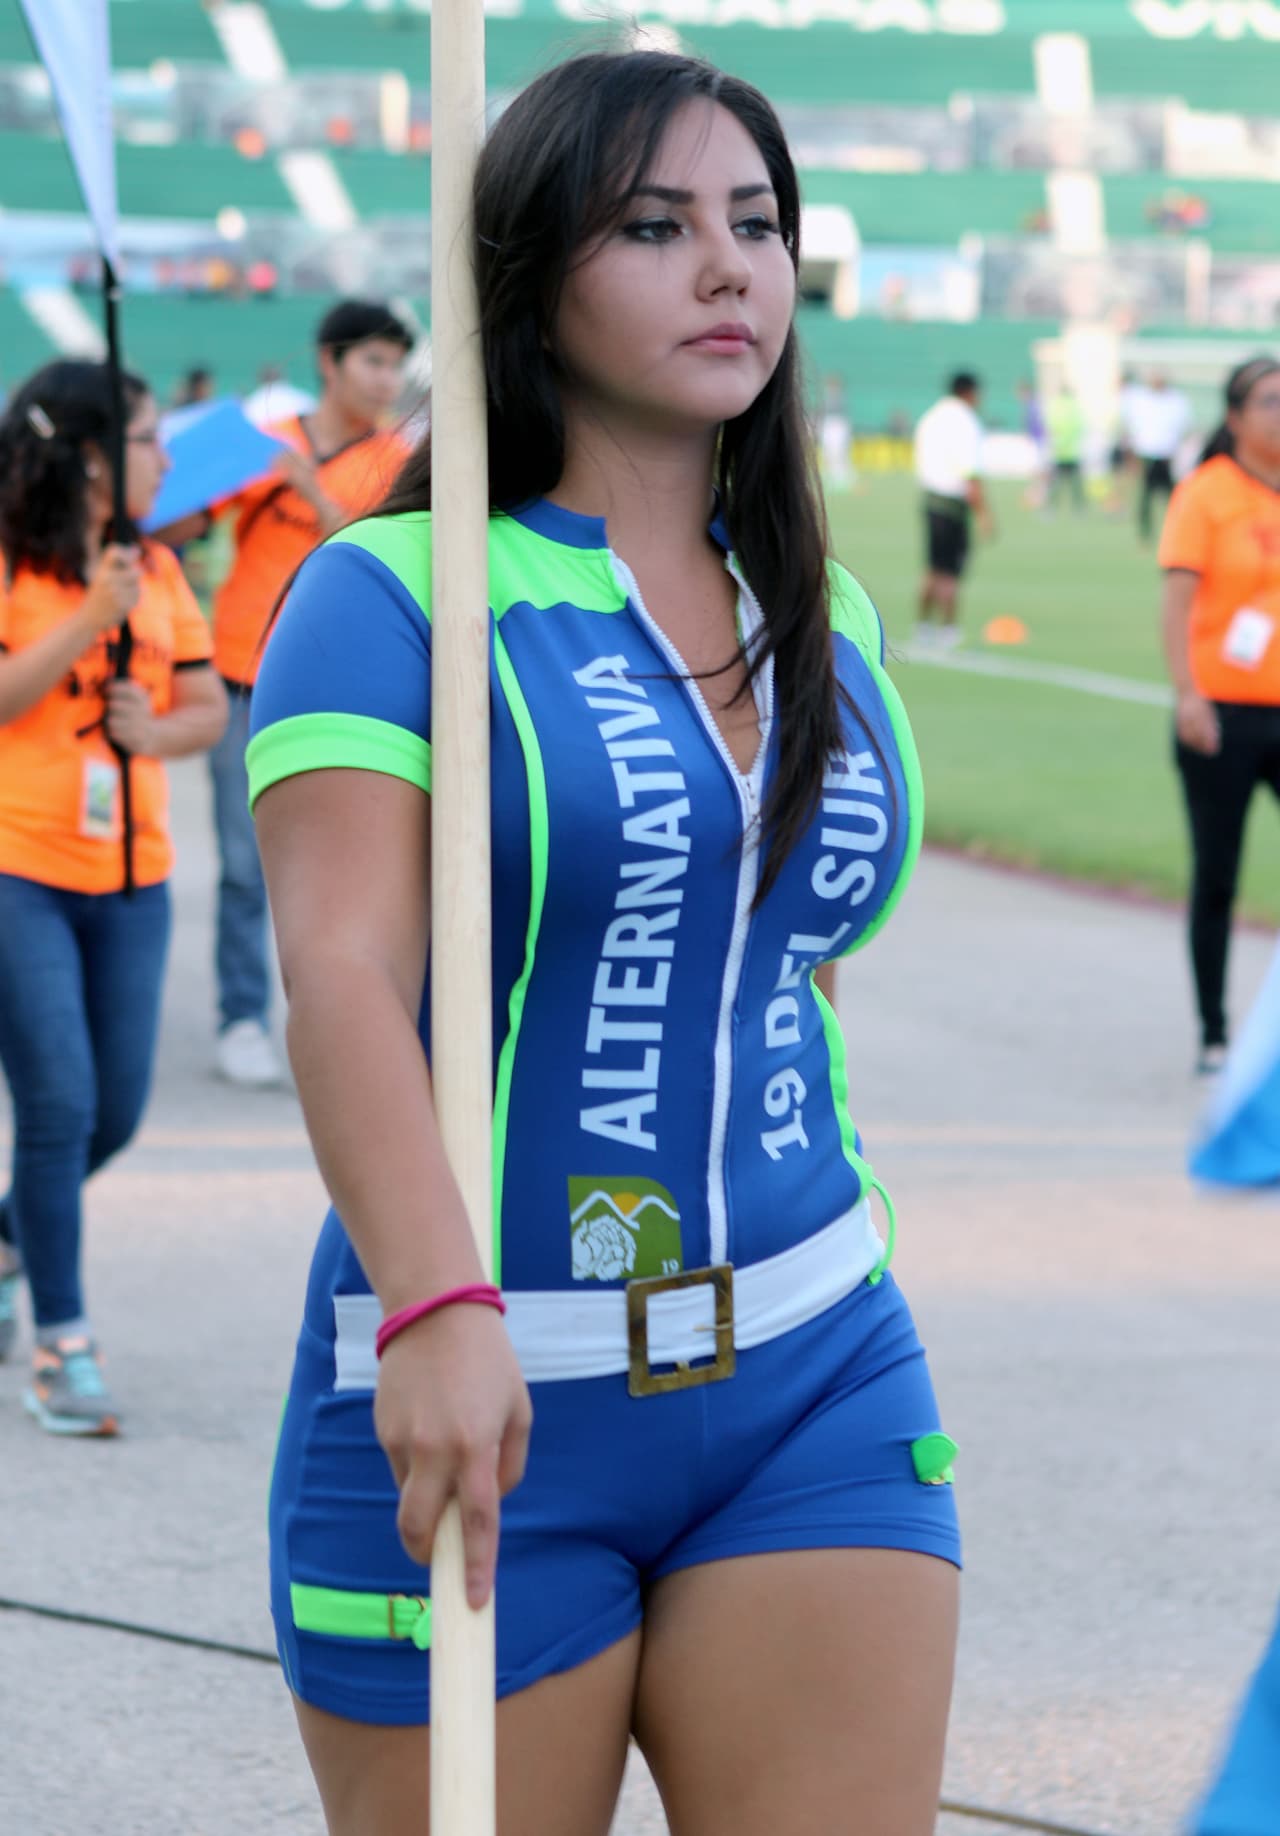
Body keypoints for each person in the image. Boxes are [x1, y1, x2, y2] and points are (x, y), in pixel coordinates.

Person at [250, 51, 960, 1836]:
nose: (730, 267)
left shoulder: (826, 608)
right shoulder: (386, 594)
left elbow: (787, 955)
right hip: (489, 1395)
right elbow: (336, 967)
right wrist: (434, 1306)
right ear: (527, 278)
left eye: (757, 223)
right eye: (654, 227)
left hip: (820, 1375)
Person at [0, 360, 227, 1432]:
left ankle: (9, 1238)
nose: (166, 460)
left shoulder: (159, 571)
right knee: (57, 1107)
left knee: (115, 1113)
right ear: (93, 457)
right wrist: (91, 613)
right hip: (19, 869)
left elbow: (204, 709)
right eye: (148, 439)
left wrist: (158, 730)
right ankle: (64, 1343)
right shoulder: (20, 563)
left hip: (133, 876)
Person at [156, 300, 413, 1087]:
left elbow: (382, 557)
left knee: (345, 872)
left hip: (342, 687)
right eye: (372, 361)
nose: (388, 379)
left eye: (395, 364)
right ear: (328, 363)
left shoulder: (399, 459)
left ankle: (346, 1023)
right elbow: (176, 525)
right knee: (242, 861)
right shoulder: (265, 446)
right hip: (240, 670)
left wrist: (312, 492)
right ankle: (242, 1017)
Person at [1158, 356, 1280, 1075]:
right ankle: (1214, 1031)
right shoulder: (1207, 495)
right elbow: (1176, 601)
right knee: (1220, 875)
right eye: (1269, 401)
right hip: (1222, 715)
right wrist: (1188, 692)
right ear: (1235, 418)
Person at [913, 370, 994, 650]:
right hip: (952, 504)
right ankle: (948, 631)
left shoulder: (931, 417)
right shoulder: (966, 422)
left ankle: (922, 627)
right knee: (951, 572)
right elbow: (970, 474)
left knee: (933, 568)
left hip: (930, 499)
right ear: (969, 392)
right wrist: (985, 515)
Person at [1133, 370, 1191, 543]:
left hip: (1168, 454)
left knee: (1174, 499)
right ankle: (1145, 533)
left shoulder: (1176, 401)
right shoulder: (1142, 400)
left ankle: (1178, 531)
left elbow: (1184, 425)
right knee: (1145, 497)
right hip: (1148, 453)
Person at [1045, 382, 1086, 514]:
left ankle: (1051, 508)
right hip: (1073, 451)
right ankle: (1079, 508)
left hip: (1060, 451)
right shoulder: (1075, 406)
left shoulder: (1056, 406)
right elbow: (1081, 427)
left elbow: (1051, 426)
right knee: (1076, 483)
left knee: (1055, 483)